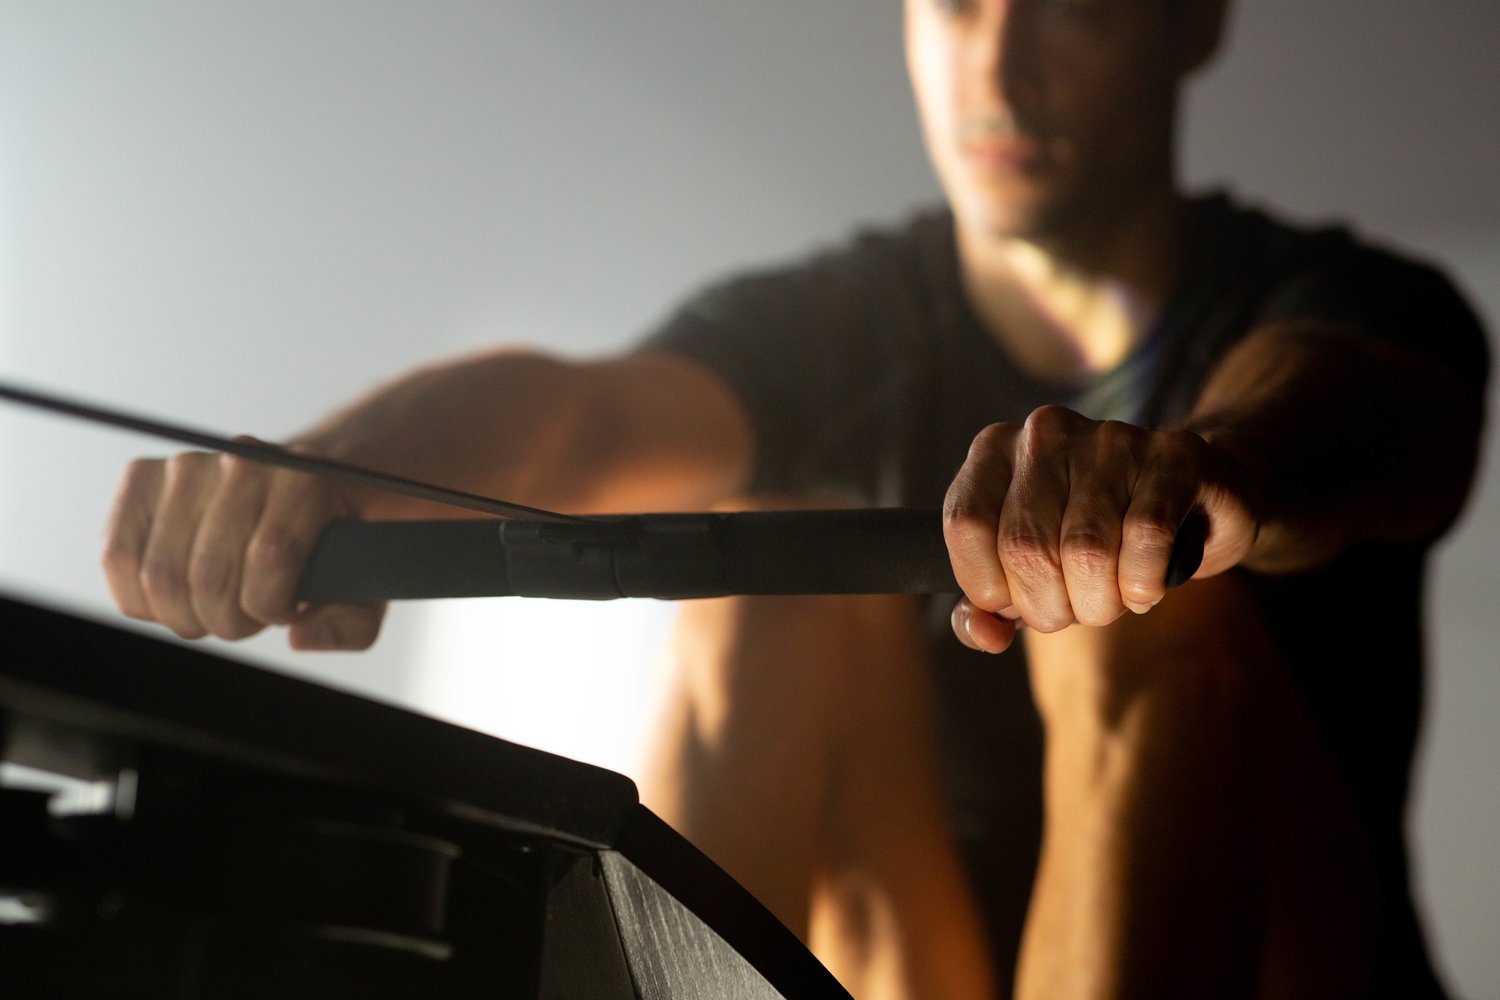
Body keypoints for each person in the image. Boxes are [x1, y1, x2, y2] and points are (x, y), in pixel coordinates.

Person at [102, 1, 1487, 997]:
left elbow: (1356, 421)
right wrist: (326, 472)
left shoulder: (1347, 306)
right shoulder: (832, 329)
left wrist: (1212, 470)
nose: (995, 65)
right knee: (756, 614)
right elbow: (581, 416)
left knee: (1142, 610)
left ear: (1192, 20)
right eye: (950, 4)